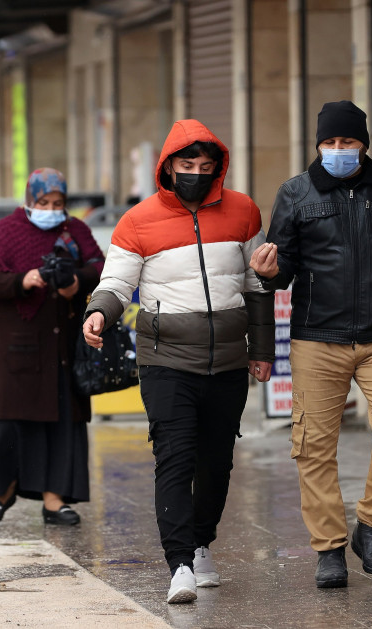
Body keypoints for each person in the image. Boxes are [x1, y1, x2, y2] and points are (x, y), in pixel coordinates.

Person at [82, 120, 274, 605]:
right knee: (175, 456)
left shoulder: (243, 212)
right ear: (168, 167)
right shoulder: (138, 221)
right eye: (188, 165)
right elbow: (117, 283)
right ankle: (180, 564)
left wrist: (261, 350)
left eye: (206, 167)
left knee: (217, 462)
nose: (196, 174)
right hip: (165, 361)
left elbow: (257, 285)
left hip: (228, 360)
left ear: (218, 167)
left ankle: (201, 543)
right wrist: (98, 313)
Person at [249, 100, 372, 589]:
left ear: (363, 144)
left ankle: (370, 528)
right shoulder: (295, 192)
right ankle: (329, 548)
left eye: (347, 142)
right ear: (318, 145)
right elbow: (283, 267)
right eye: (329, 142)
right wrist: (269, 273)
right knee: (313, 445)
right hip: (317, 337)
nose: (337, 149)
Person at [0, 168, 105, 527]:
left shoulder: (75, 230)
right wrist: (22, 280)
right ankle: (3, 491)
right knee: (9, 421)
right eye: (43, 202)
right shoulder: (4, 231)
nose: (50, 209)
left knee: (62, 420)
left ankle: (54, 500)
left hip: (62, 344)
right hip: (16, 344)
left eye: (57, 203)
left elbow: (99, 265)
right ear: (30, 200)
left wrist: (76, 281)